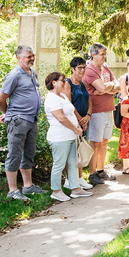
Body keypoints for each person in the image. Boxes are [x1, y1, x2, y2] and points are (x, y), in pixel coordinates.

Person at [0, 45, 45, 202]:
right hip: (18, 120)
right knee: (15, 154)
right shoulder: (14, 75)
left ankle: (28, 186)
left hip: (32, 119)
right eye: (28, 56)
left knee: (28, 153)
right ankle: (12, 190)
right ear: (19, 58)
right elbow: (0, 99)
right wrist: (8, 114)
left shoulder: (32, 73)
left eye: (32, 55)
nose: (31, 58)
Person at [44, 72, 93, 202]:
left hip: (70, 136)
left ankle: (75, 189)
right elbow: (61, 118)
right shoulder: (52, 98)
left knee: (73, 163)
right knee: (59, 164)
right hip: (60, 137)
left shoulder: (62, 96)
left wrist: (78, 126)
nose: (65, 83)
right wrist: (75, 129)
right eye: (62, 81)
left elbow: (71, 112)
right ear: (54, 83)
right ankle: (56, 191)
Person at [82, 43, 121, 186]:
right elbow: (104, 87)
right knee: (95, 143)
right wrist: (108, 87)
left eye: (105, 54)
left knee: (104, 141)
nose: (105, 57)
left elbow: (118, 86)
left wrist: (107, 87)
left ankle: (100, 170)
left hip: (109, 109)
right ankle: (92, 173)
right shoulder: (90, 70)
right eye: (102, 54)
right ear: (93, 55)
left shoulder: (106, 68)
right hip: (96, 111)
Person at [62, 56, 93, 190]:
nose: (82, 70)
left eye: (83, 67)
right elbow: (68, 104)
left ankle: (79, 178)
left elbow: (89, 101)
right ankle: (69, 179)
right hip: (73, 122)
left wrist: (88, 116)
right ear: (72, 69)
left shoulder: (83, 83)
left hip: (84, 121)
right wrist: (80, 120)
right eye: (79, 67)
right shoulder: (68, 83)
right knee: (72, 151)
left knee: (81, 150)